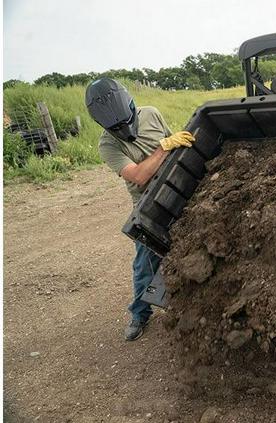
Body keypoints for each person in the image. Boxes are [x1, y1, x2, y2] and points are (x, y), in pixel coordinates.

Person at [85, 78, 195, 341]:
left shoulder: (152, 114)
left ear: (131, 107)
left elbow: (175, 144)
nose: (123, 130)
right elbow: (138, 176)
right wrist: (162, 147)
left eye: (125, 123)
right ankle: (139, 313)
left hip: (179, 186)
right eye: (115, 128)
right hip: (149, 204)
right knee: (145, 262)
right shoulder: (108, 145)